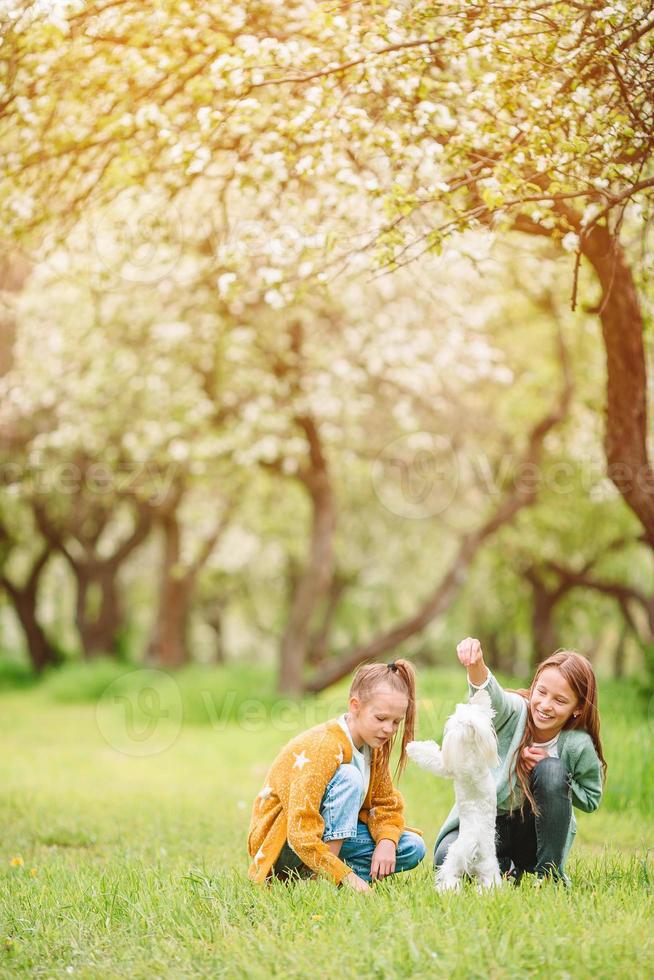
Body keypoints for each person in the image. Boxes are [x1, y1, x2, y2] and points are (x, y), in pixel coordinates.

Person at [434, 637, 606, 886]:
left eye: (560, 700)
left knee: (551, 770)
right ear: (534, 686)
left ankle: (548, 875)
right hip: (489, 823)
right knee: (445, 857)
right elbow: (492, 696)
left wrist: (554, 774)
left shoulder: (577, 745)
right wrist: (476, 665)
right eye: (542, 692)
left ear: (577, 708)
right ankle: (505, 868)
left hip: (533, 834)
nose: (545, 705)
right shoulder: (516, 711)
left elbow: (590, 800)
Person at [247, 659, 426, 892]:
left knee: (412, 846)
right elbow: (300, 832)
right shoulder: (324, 746)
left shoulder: (374, 747)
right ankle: (332, 879)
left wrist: (386, 842)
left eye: (396, 722)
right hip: (285, 843)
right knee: (349, 777)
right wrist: (343, 876)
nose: (389, 729)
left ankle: (327, 877)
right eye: (381, 718)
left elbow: (385, 803)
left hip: (324, 839)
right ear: (355, 705)